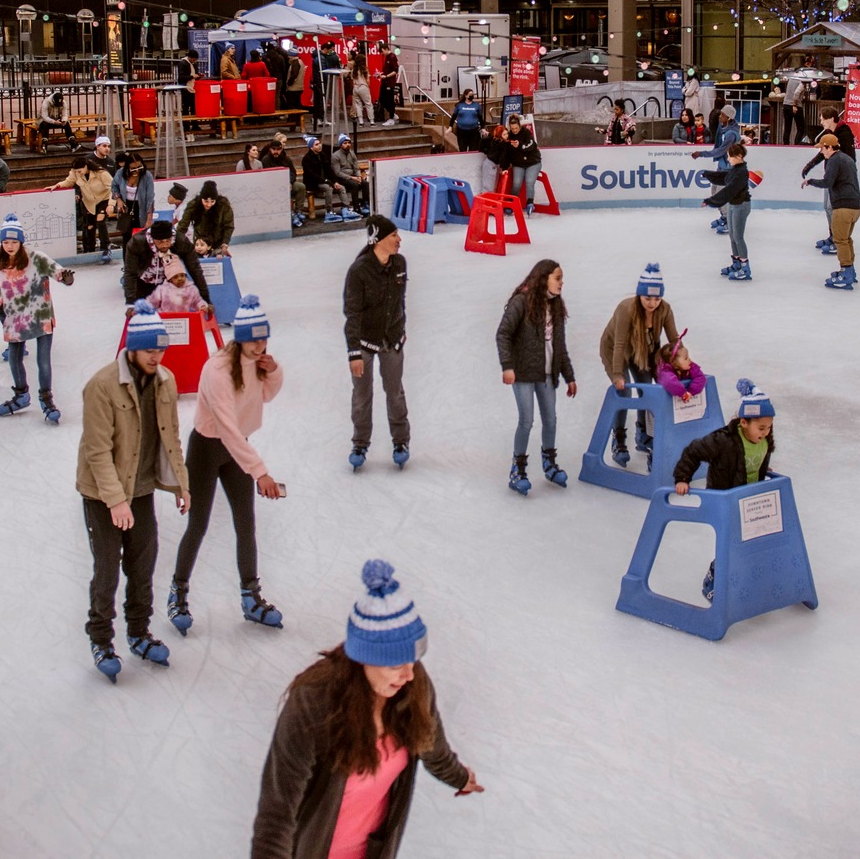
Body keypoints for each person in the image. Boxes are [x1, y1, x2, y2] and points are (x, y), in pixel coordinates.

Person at [250, 560, 481, 857]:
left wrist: (459, 777)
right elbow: (277, 814)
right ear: (363, 658)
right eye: (396, 664)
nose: (409, 674)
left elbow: (432, 745)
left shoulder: (412, 687)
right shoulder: (313, 704)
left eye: (413, 661)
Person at [79, 303, 191, 679]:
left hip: (140, 489)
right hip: (102, 493)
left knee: (143, 564)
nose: (156, 357)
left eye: (160, 350)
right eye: (149, 350)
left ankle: (139, 632)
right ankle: (100, 636)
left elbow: (171, 436)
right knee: (108, 568)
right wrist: (115, 501)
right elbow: (96, 451)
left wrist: (180, 484)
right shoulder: (101, 386)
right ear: (132, 349)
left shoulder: (166, 381)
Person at [169, 296, 288, 635]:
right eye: (254, 339)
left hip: (238, 449)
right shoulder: (217, 370)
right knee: (198, 524)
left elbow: (265, 396)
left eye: (264, 338)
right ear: (240, 337)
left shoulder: (256, 361)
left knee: (245, 523)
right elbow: (226, 428)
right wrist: (260, 471)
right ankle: (177, 592)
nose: (260, 345)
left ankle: (251, 597)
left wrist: (273, 370)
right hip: (208, 449)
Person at [672, 380, 778, 601]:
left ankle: (742, 577)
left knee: (750, 541)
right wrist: (683, 478)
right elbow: (693, 451)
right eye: (761, 428)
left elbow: (753, 460)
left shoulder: (765, 441)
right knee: (729, 542)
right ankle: (714, 578)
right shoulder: (723, 440)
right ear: (743, 422)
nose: (766, 432)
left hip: (749, 501)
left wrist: (759, 468)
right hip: (724, 498)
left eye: (769, 427)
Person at [0, 214, 75, 423]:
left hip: (41, 315)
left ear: (21, 241)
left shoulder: (36, 258)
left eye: (13, 241)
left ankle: (46, 397)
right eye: (5, 242)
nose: (9, 246)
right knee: (14, 358)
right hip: (15, 318)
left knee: (43, 360)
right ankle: (21, 394)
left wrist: (65, 277)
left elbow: (57, 271)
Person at [494, 258, 577, 495]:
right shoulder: (522, 301)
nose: (562, 283)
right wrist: (507, 366)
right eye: (557, 278)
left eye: (562, 278)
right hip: (522, 372)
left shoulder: (557, 306)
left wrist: (569, 376)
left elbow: (559, 346)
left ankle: (549, 463)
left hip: (547, 373)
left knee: (550, 419)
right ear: (544, 279)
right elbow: (503, 334)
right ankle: (517, 469)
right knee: (527, 420)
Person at [344, 216, 411, 471]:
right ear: (378, 240)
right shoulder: (359, 271)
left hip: (392, 340)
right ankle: (360, 443)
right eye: (394, 235)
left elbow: (400, 301)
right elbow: (352, 314)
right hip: (364, 342)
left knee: (395, 393)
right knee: (362, 395)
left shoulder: (400, 264)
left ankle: (401, 442)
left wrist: (400, 330)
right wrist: (354, 353)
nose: (399, 240)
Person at [596, 263, 680, 466]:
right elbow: (619, 344)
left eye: (657, 298)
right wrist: (617, 374)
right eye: (647, 298)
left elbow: (673, 341)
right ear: (639, 295)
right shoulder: (627, 309)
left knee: (648, 390)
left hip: (642, 352)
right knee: (624, 393)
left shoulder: (665, 309)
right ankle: (619, 439)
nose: (652, 303)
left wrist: (683, 363)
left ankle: (643, 433)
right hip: (616, 351)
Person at [803, 130, 860, 290]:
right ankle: (851, 270)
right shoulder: (846, 158)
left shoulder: (834, 160)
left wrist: (810, 181)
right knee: (847, 239)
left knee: (840, 240)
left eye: (822, 148)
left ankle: (846, 273)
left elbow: (828, 182)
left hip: (843, 206)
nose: (821, 152)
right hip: (855, 206)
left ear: (829, 147)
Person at [51, 151, 116, 263]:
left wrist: (111, 204)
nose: (78, 174)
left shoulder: (101, 173)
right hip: (89, 202)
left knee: (100, 219)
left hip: (104, 199)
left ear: (86, 167)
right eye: (76, 172)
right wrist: (57, 185)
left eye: (80, 171)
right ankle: (89, 249)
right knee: (89, 226)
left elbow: (114, 188)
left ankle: (106, 247)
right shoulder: (75, 173)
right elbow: (69, 181)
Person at [123, 218, 206, 305]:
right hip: (143, 282)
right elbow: (130, 273)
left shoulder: (181, 241)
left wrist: (205, 298)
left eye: (168, 241)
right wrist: (130, 302)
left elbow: (195, 270)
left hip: (168, 284)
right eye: (160, 242)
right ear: (153, 239)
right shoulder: (137, 242)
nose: (165, 245)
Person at [705, 141, 754, 281]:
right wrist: (708, 174)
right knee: (732, 236)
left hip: (741, 206)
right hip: (734, 205)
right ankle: (737, 264)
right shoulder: (734, 170)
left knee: (738, 237)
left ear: (739, 156)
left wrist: (711, 200)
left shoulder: (742, 172)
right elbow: (724, 178)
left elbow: (729, 189)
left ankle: (745, 268)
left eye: (730, 157)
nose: (728, 159)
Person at [699, 106, 741, 234]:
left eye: (722, 115)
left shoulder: (731, 134)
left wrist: (702, 153)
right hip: (722, 167)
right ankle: (724, 217)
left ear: (728, 118)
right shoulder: (722, 128)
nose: (719, 116)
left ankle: (729, 222)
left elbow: (721, 150)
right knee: (714, 192)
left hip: (730, 170)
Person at [177, 179, 236, 257]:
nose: (209, 204)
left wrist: (225, 244)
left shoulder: (224, 206)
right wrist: (178, 241)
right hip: (200, 243)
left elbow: (229, 226)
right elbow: (183, 225)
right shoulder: (193, 205)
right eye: (206, 201)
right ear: (201, 198)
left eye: (212, 201)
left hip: (217, 241)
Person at [303, 136, 347, 223]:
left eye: (319, 144)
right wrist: (327, 181)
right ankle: (329, 210)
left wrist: (335, 181)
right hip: (313, 182)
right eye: (316, 144)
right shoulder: (307, 158)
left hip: (326, 180)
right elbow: (312, 175)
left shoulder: (323, 155)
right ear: (311, 147)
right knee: (328, 188)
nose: (319, 146)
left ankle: (346, 208)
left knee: (341, 187)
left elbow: (329, 170)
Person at [506, 119, 543, 213]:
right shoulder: (509, 136)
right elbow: (506, 151)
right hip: (518, 164)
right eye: (512, 128)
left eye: (516, 128)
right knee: (516, 183)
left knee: (529, 182)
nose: (514, 130)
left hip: (533, 163)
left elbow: (530, 146)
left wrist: (519, 145)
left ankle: (530, 203)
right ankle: (512, 204)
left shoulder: (526, 133)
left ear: (519, 126)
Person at [656, 337, 705, 402]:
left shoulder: (689, 366)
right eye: (686, 358)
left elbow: (700, 377)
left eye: (688, 356)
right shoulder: (665, 372)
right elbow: (670, 382)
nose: (689, 360)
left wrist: (691, 392)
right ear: (674, 362)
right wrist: (683, 393)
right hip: (666, 403)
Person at [331, 136, 369, 216]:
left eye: (349, 143)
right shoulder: (335, 156)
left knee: (365, 183)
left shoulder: (352, 153)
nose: (347, 145)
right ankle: (356, 207)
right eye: (345, 143)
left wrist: (358, 176)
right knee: (354, 184)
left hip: (353, 176)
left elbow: (356, 167)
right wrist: (352, 178)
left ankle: (365, 204)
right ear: (341, 145)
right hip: (342, 178)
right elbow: (337, 172)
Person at [350, 51, 376, 125]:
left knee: (358, 105)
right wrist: (367, 87)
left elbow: (353, 80)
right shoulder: (365, 70)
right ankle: (371, 121)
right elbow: (368, 80)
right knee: (368, 104)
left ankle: (361, 121)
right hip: (363, 87)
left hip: (355, 88)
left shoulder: (353, 70)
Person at [174, 49, 198, 115]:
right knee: (186, 106)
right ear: (189, 57)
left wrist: (198, 76)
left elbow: (196, 73)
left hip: (193, 86)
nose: (194, 61)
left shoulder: (194, 64)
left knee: (194, 106)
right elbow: (181, 77)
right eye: (193, 59)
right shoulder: (183, 63)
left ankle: (194, 124)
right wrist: (192, 76)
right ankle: (186, 125)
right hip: (185, 87)